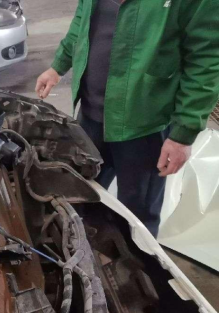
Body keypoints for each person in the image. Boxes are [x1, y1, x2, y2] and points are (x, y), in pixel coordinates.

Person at [35, 0, 219, 237]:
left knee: (137, 220)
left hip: (144, 126)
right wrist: (57, 67)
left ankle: (136, 260)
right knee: (81, 198)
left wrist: (184, 134)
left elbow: (205, 61)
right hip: (90, 117)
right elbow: (82, 22)